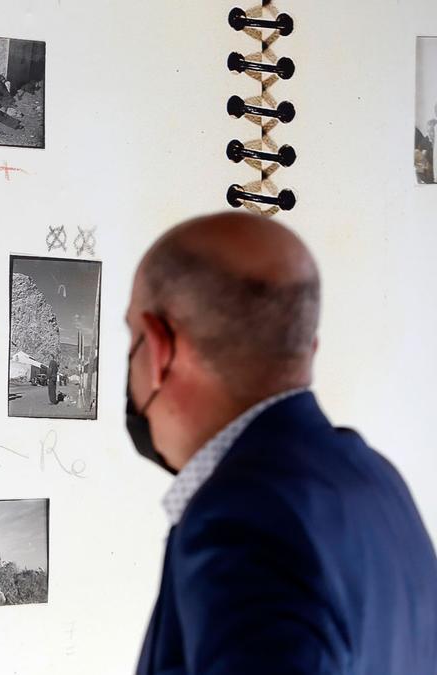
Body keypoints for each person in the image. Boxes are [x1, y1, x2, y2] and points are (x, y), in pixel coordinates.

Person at [128, 212, 437, 674]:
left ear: (158, 349)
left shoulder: (240, 520)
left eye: (129, 337)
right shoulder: (377, 481)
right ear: (307, 348)